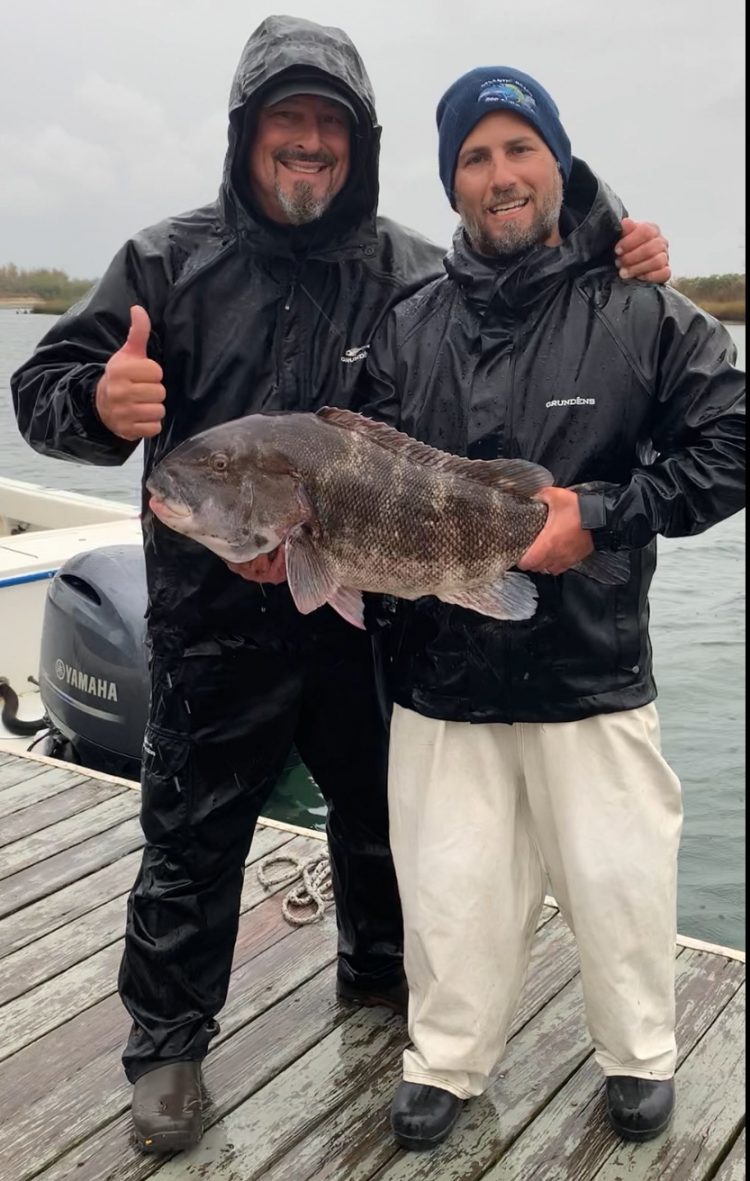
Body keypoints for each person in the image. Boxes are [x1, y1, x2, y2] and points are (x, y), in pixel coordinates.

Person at [11, 16, 671, 1154]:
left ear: (358, 145)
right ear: (246, 134)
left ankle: (383, 984)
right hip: (211, 620)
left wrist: (614, 236)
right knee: (190, 837)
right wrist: (94, 409)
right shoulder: (163, 261)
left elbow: (523, 266)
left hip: (370, 614)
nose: (308, 143)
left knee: (383, 828)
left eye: (330, 124)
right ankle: (167, 1043)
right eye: (286, 120)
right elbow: (46, 388)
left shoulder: (413, 267)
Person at [355, 67, 746, 1151]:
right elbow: (353, 477)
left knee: (621, 880)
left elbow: (732, 440)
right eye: (474, 158)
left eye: (519, 148)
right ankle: (447, 1057)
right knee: (448, 888)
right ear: (454, 185)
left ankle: (639, 1053)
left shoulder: (642, 309)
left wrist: (610, 515)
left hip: (592, 663)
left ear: (558, 162)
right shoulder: (407, 324)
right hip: (443, 670)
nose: (501, 175)